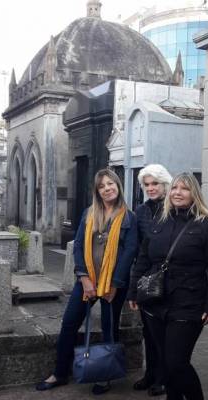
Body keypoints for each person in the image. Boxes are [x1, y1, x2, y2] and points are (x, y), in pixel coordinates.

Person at [36, 169, 138, 395]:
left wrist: (115, 284)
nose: (107, 188)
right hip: (88, 281)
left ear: (118, 186)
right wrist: (83, 277)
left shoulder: (129, 218)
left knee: (110, 328)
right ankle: (60, 373)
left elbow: (130, 251)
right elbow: (80, 245)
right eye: (102, 186)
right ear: (97, 191)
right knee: (70, 323)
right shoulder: (89, 214)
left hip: (113, 284)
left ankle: (106, 375)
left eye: (111, 184)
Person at [128, 172, 208, 400]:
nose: (177, 193)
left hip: (188, 304)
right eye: (174, 188)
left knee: (176, 362)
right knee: (166, 361)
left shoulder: (207, 224)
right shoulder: (158, 221)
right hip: (154, 302)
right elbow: (143, 258)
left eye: (184, 188)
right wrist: (133, 290)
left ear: (194, 194)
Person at [132, 164, 172, 397]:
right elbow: (138, 248)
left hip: (169, 278)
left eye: (155, 183)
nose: (150, 188)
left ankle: (163, 378)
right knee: (148, 331)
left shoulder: (174, 208)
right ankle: (150, 374)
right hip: (147, 278)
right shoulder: (141, 211)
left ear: (164, 183)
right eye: (146, 185)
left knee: (164, 334)